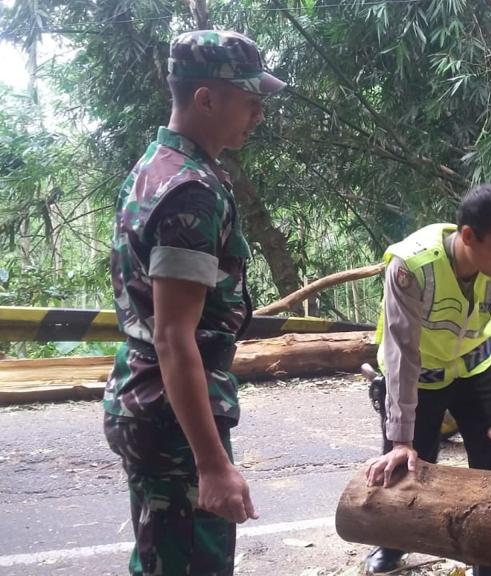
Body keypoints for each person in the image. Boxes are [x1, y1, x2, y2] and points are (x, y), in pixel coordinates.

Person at [104, 30, 285, 576]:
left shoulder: (157, 165)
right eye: (250, 100)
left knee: (163, 557)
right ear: (207, 98)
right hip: (174, 413)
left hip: (151, 398)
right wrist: (212, 464)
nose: (258, 114)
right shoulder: (190, 190)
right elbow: (172, 334)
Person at [364, 184, 491, 575]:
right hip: (417, 374)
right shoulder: (411, 267)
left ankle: (486, 555)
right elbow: (401, 353)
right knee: (407, 465)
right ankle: (390, 545)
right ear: (469, 236)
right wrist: (401, 439)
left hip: (473, 369)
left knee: (488, 463)